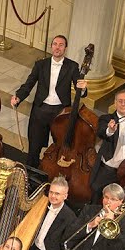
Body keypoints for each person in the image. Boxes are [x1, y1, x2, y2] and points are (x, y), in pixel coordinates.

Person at [10, 35, 88, 167]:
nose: (57, 47)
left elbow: (79, 89)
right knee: (34, 145)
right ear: (51, 46)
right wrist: (18, 96)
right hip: (41, 108)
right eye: (55, 44)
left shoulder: (72, 66)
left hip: (61, 111)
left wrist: (83, 88)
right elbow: (29, 83)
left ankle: (54, 170)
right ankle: (31, 170)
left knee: (61, 144)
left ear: (65, 48)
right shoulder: (41, 64)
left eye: (61, 45)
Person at [25, 176, 78, 250]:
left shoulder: (70, 218)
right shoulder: (42, 205)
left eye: (57, 194)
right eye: (51, 192)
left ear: (65, 196)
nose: (53, 196)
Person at [90, 89, 125, 197]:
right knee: (96, 191)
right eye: (120, 101)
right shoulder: (106, 119)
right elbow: (101, 132)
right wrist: (110, 130)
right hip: (109, 167)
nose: (123, 104)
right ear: (115, 103)